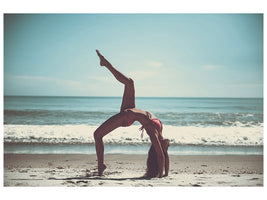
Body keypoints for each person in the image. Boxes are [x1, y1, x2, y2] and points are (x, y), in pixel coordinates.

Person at [94, 50, 169, 178]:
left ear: (160, 147)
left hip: (126, 117)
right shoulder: (160, 127)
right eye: (167, 146)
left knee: (97, 135)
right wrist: (166, 173)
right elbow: (165, 156)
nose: (168, 143)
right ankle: (105, 63)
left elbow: (161, 156)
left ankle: (101, 165)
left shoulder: (153, 133)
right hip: (131, 109)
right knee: (130, 82)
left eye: (166, 146)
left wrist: (161, 175)